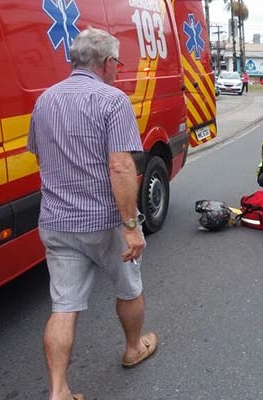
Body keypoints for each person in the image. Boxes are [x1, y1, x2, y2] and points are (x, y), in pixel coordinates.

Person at [27, 28, 157, 400]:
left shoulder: (44, 101)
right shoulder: (112, 101)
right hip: (104, 222)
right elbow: (120, 166)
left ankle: (58, 391)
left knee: (64, 305)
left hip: (56, 221)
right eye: (117, 62)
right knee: (129, 288)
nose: (118, 69)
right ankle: (133, 349)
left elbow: (40, 155)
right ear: (107, 63)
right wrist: (131, 227)